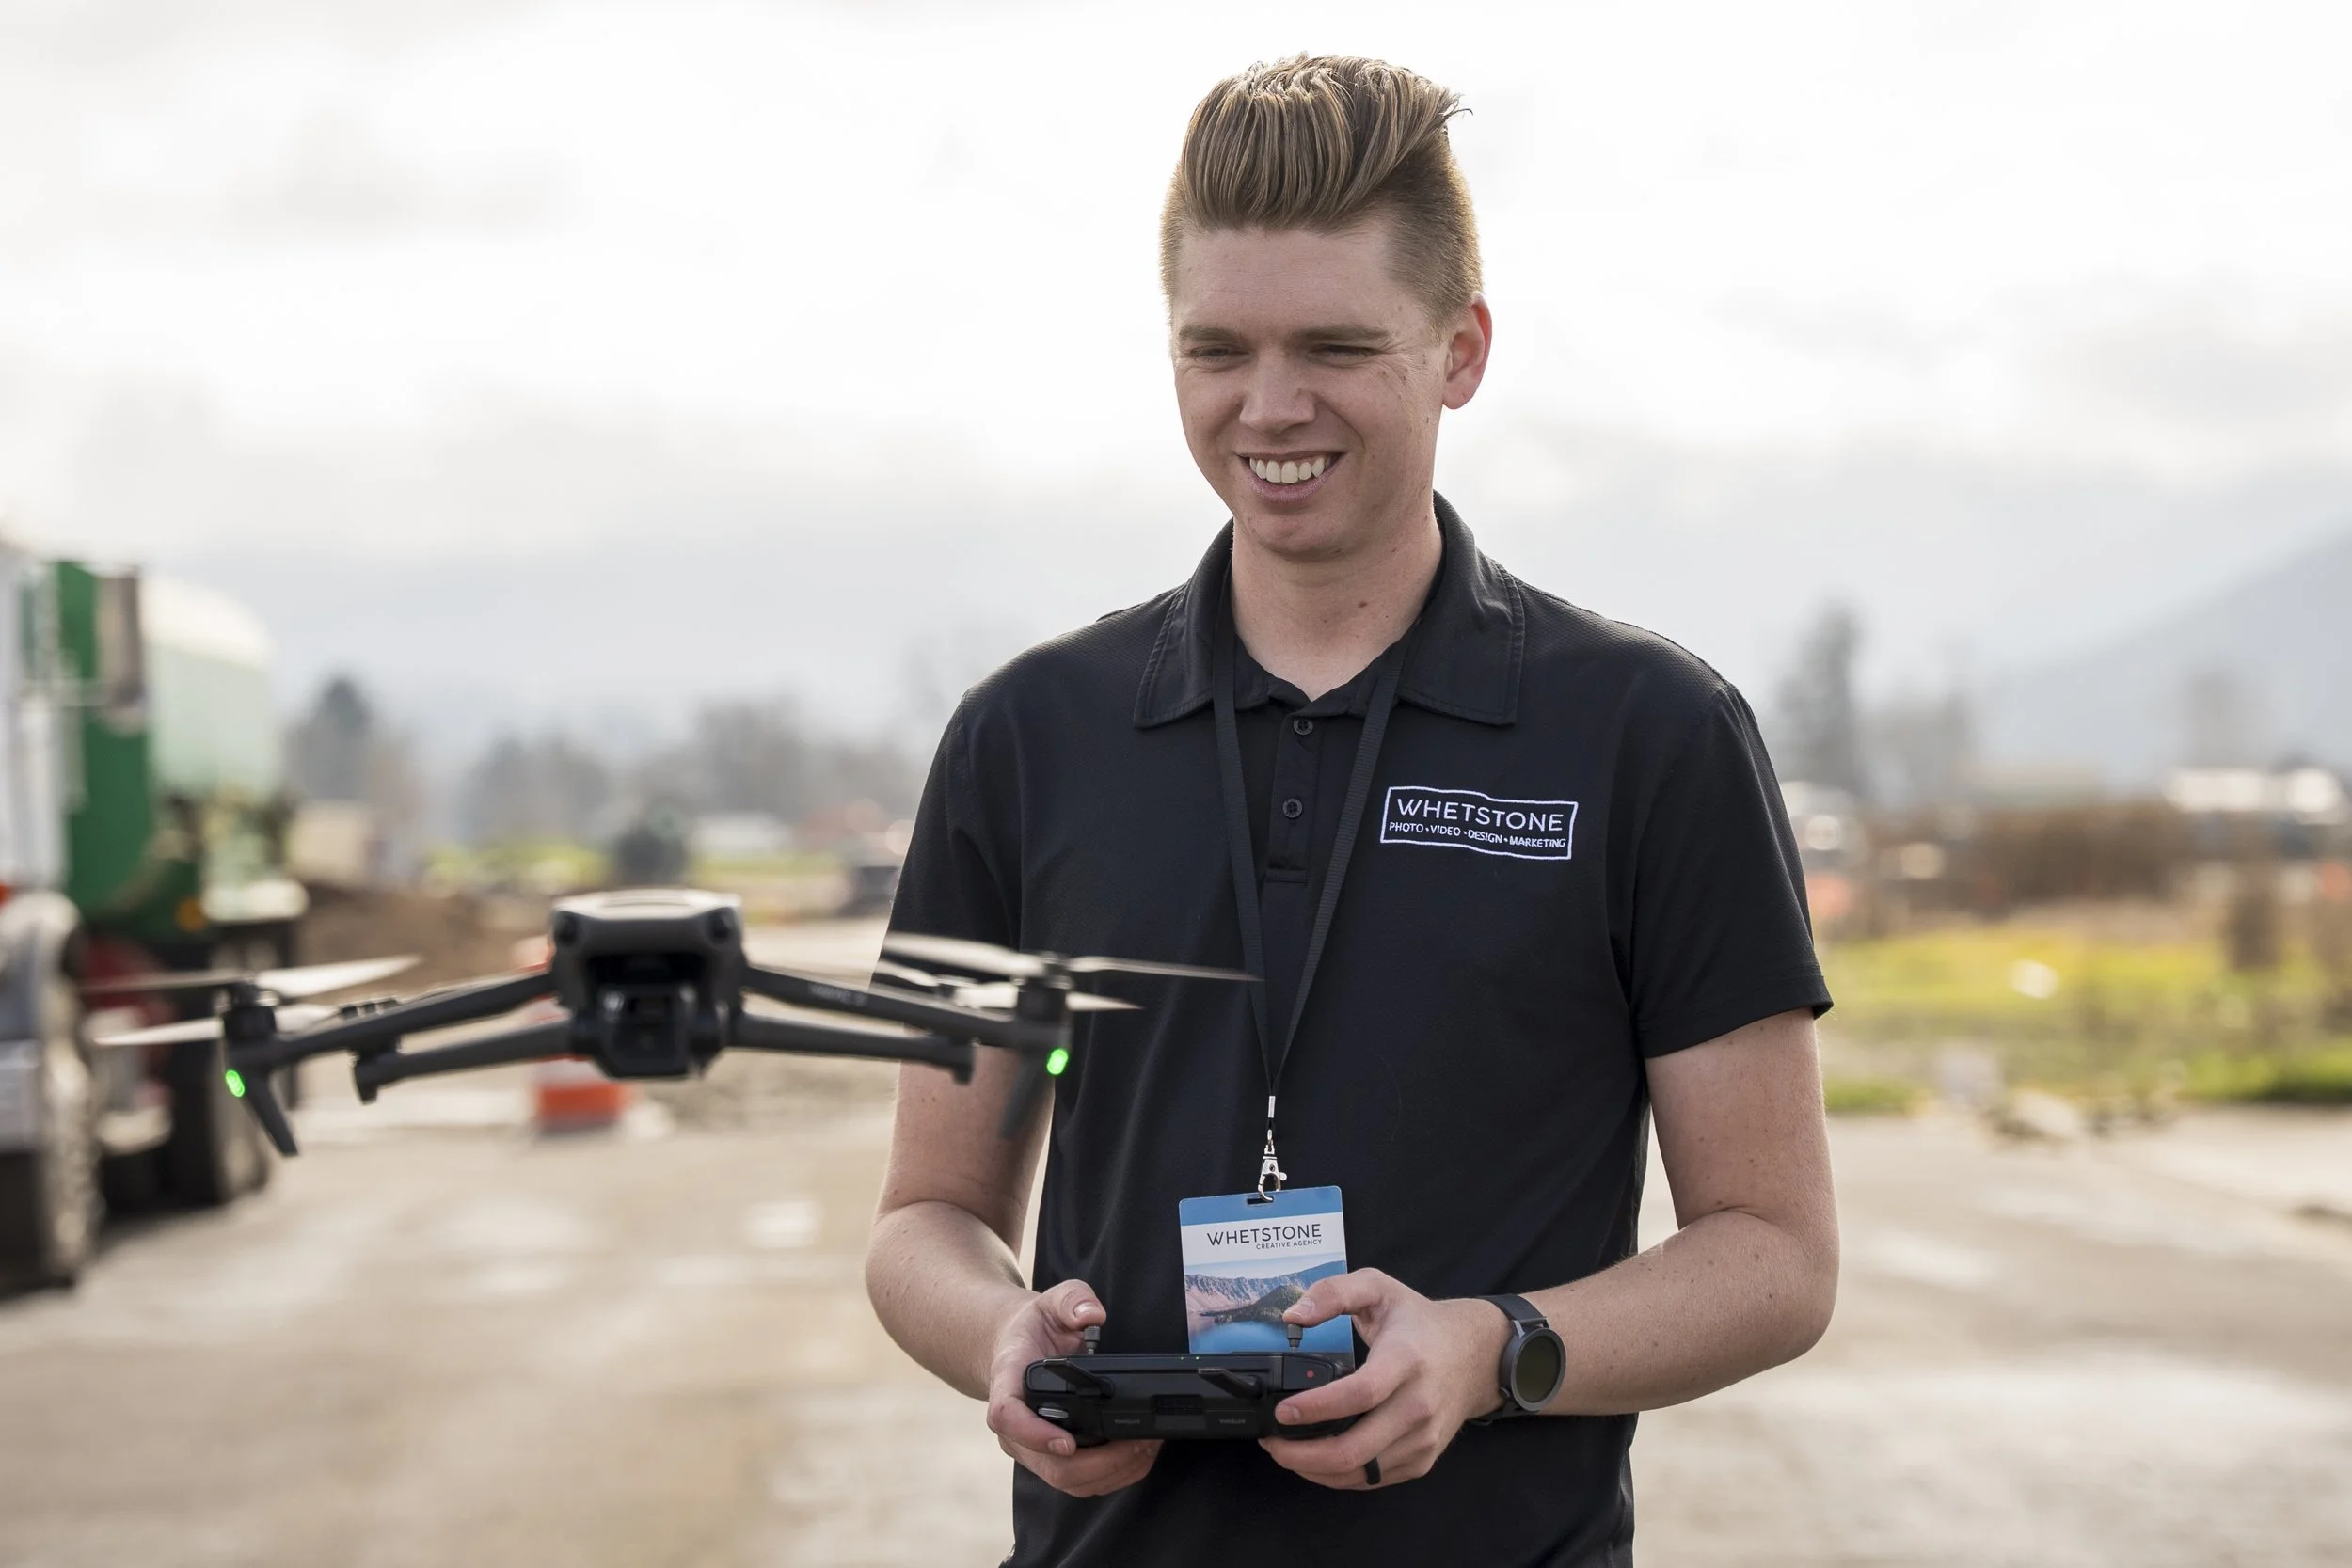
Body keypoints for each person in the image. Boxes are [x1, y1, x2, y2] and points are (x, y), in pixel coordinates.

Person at [865, 55, 1837, 1568]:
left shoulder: (1654, 736)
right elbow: (922, 1214)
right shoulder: (1023, 738)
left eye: (1334, 345)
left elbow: (1775, 1256)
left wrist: (1492, 1348)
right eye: (1217, 349)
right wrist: (999, 1330)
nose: (1269, 406)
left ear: (1461, 351)